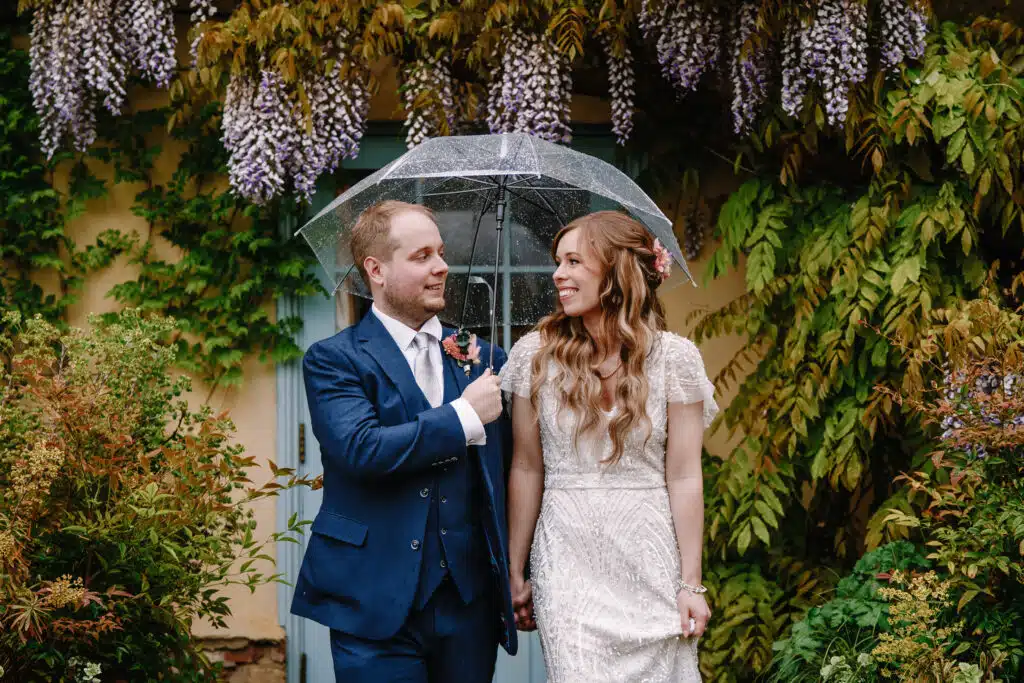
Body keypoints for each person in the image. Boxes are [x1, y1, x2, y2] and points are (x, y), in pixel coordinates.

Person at [291, 200, 518, 682]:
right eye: (421, 257)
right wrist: (462, 416)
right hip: (372, 597)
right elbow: (362, 449)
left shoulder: (485, 359)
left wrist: (519, 569)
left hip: (469, 601)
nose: (441, 267)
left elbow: (511, 473)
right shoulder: (334, 360)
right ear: (375, 269)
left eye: (440, 253)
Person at [501, 210, 717, 682]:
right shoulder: (533, 356)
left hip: (648, 557)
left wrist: (690, 583)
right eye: (559, 261)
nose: (559, 274)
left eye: (575, 261)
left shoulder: (674, 360)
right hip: (567, 557)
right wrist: (515, 570)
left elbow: (684, 476)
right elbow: (526, 467)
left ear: (616, 271)